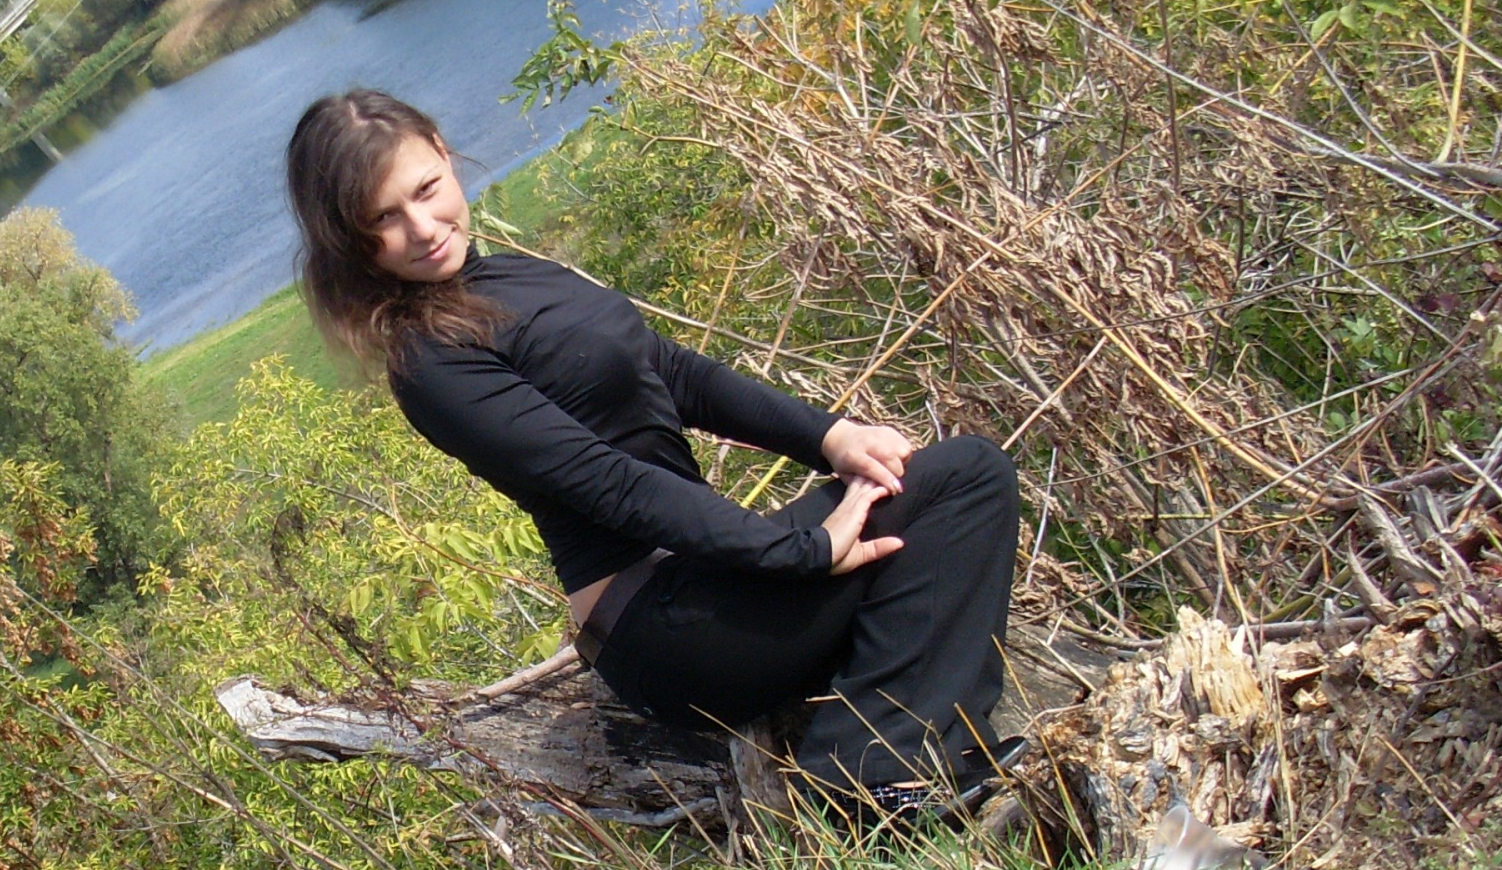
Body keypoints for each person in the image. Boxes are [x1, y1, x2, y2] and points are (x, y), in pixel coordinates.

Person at [283, 88, 1021, 825]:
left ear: (445, 155)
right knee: (965, 478)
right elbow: (608, 483)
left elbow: (671, 372)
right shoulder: (430, 364)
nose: (421, 228)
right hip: (663, 630)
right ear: (350, 241)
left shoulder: (508, 279)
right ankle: (868, 783)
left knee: (929, 488)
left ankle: (908, 763)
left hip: (704, 585)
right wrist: (799, 551)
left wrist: (831, 437)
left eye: (425, 190)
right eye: (383, 219)